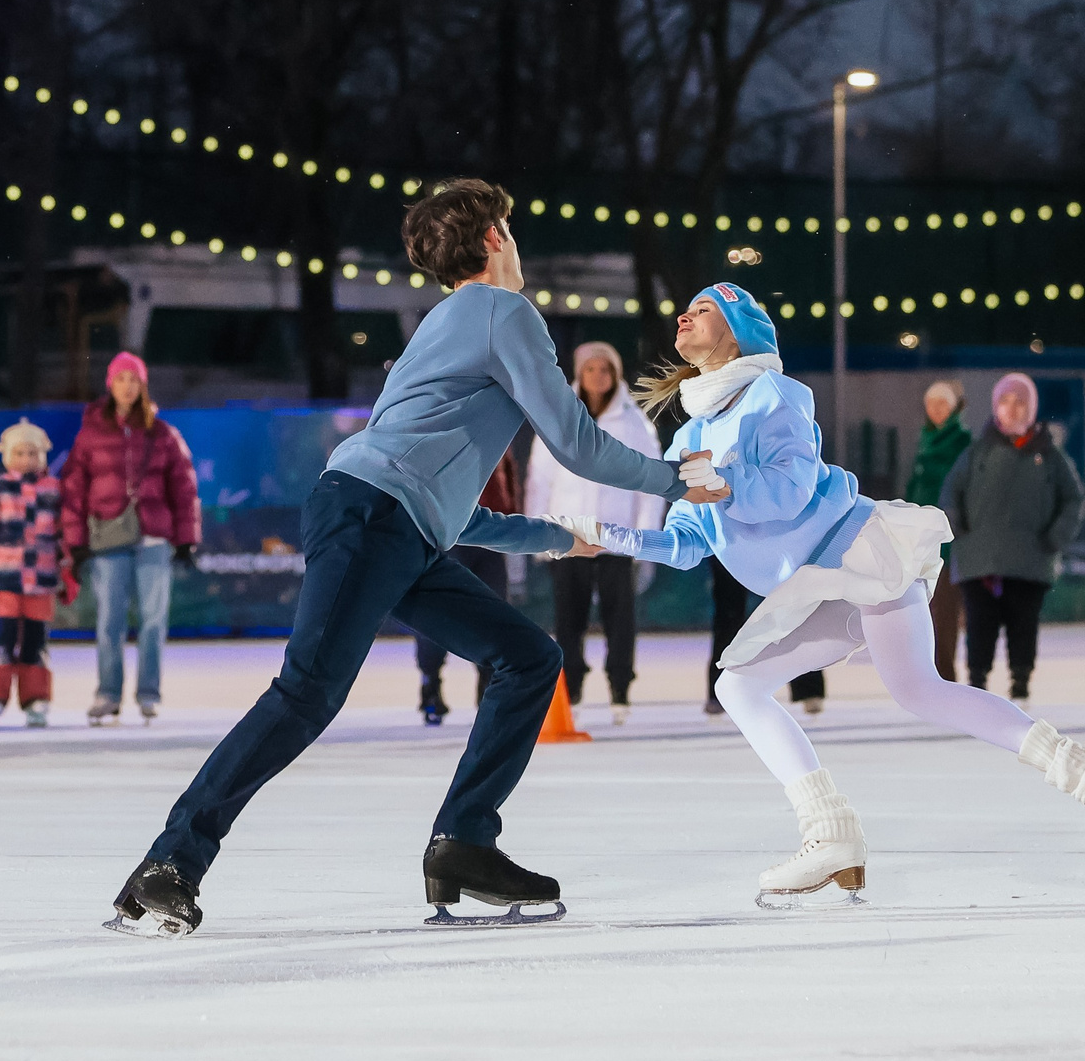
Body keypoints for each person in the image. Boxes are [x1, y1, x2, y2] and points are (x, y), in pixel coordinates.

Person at [108, 179, 710, 939]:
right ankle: (171, 863)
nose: (518, 249)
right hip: (371, 515)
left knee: (527, 657)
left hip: (393, 523)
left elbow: (446, 505)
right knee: (305, 695)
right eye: (513, 235)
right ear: (494, 239)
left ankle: (463, 843)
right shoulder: (502, 311)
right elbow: (574, 440)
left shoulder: (447, 325)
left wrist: (554, 535)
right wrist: (675, 481)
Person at [555, 285, 1085, 908]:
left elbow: (790, 489)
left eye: (705, 309)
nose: (686, 314)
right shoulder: (688, 438)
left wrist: (725, 479)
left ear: (737, 331)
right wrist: (606, 537)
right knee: (738, 685)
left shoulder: (775, 395)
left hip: (855, 552)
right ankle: (830, 834)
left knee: (920, 690)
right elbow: (687, 542)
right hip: (811, 587)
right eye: (686, 308)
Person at [524, 341, 663, 723]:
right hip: (568, 537)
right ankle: (572, 691)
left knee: (621, 620)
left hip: (618, 538)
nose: (598, 376)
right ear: (579, 375)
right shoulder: (559, 420)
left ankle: (620, 689)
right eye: (590, 369)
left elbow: (650, 484)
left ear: (615, 375)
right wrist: (538, 533)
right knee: (569, 619)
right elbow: (540, 480)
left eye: (605, 369)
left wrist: (647, 539)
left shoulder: (634, 424)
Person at [59, 350, 199, 726]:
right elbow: (73, 488)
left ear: (142, 385)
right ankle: (108, 693)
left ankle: (149, 694)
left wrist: (186, 538)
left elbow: (183, 487)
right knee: (110, 621)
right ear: (110, 383)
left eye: (133, 379)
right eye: (121, 379)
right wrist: (75, 540)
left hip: (153, 537)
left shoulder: (163, 434)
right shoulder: (90, 435)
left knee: (153, 620)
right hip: (108, 537)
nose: (127, 386)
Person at [940, 373, 1085, 702]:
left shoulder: (1049, 456)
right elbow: (950, 493)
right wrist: (958, 529)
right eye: (1005, 402)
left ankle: (1021, 684)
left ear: (1032, 408)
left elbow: (1073, 498)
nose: (1013, 409)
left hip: (1031, 558)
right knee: (980, 626)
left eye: (1020, 402)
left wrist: (1056, 537)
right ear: (995, 408)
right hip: (980, 560)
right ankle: (977, 684)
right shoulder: (976, 453)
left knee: (1023, 625)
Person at [0, 420, 74, 727]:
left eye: (33, 453)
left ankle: (35, 698)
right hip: (5, 580)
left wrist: (68, 572)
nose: (27, 459)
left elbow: (64, 535)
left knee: (35, 644)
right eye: (20, 453)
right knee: (0, 639)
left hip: (41, 580)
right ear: (8, 454)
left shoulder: (52, 489)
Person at [413, 455, 517, 725]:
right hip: (451, 536)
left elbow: (508, 481)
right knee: (439, 616)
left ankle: (488, 689)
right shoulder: (446, 431)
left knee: (495, 617)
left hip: (492, 537)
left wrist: (514, 523)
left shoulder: (498, 430)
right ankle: (431, 683)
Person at [904, 380, 971, 681]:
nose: (936, 410)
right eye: (931, 404)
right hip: (922, 537)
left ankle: (944, 675)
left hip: (949, 539)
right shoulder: (926, 439)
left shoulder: (963, 441)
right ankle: (927, 672)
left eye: (943, 404)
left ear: (954, 407)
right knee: (922, 608)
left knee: (944, 609)